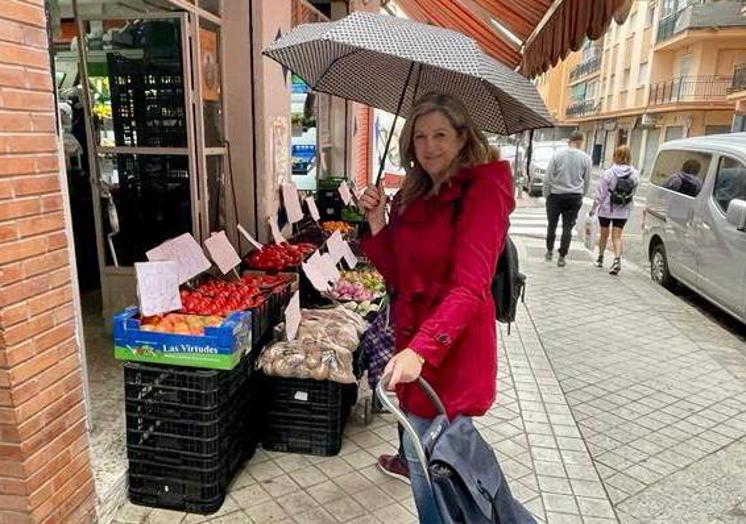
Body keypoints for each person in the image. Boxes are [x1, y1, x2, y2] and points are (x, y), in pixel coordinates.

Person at [359, 92, 514, 523]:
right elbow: (398, 273)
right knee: (424, 464)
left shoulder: (483, 192)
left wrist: (421, 349)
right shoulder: (415, 193)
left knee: (439, 472)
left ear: (463, 138)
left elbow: (471, 287)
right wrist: (376, 221)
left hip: (449, 350)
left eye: (440, 134)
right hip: (414, 348)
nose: (429, 146)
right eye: (420, 136)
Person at [542, 131, 593, 267]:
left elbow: (548, 178)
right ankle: (562, 256)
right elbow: (587, 180)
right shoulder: (586, 158)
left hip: (556, 195)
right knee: (567, 227)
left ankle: (549, 251)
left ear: (569, 141)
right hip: (574, 196)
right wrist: (581, 195)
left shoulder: (557, 155)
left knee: (552, 225)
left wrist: (547, 194)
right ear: (580, 142)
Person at [589, 145, 639, 275]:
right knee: (617, 236)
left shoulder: (609, 172)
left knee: (604, 234)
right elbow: (633, 191)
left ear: (616, 156)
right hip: (623, 209)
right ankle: (617, 260)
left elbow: (601, 193)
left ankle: (600, 258)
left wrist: (594, 208)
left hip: (607, 208)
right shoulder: (634, 174)